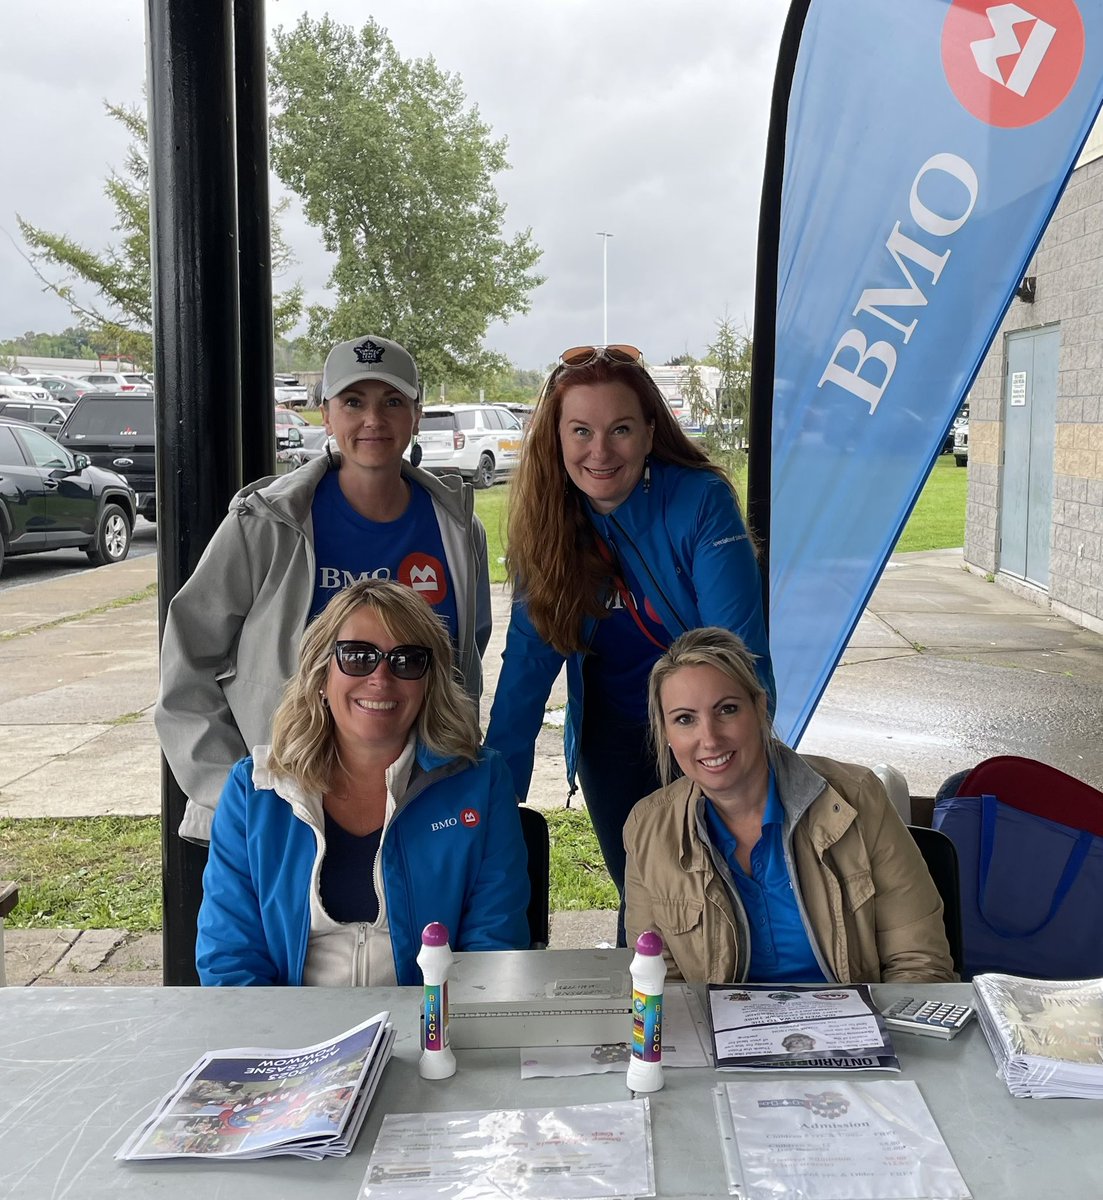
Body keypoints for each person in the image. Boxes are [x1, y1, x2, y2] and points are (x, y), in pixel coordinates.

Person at [484, 344, 773, 940]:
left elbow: (741, 657)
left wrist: (741, 750)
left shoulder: (699, 501)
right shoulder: (550, 522)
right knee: (645, 902)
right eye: (581, 431)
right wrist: (494, 801)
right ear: (557, 440)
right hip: (611, 740)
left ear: (648, 432)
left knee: (715, 894)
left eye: (619, 429)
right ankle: (643, 1021)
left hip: (701, 728)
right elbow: (524, 677)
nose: (600, 451)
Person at [155, 334, 491, 844]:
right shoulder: (266, 523)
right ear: (326, 418)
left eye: (392, 402)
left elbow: (464, 660)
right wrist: (235, 795)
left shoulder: (458, 529)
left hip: (420, 805)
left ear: (416, 415)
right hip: (286, 807)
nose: (373, 420)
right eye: (353, 402)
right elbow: (187, 662)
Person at [196, 579, 529, 986]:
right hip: (291, 1038)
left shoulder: (480, 782)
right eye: (357, 657)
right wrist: (285, 1046)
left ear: (429, 683)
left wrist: (431, 1038)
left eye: (406, 661)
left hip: (433, 1033)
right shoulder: (255, 792)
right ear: (321, 676)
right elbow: (230, 961)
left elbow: (492, 948)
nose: (381, 678)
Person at [623, 627, 955, 984]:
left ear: (760, 708)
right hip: (720, 1036)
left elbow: (920, 964)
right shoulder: (648, 828)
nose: (710, 738)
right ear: (667, 734)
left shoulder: (858, 799)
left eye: (727, 710)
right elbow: (657, 982)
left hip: (857, 1032)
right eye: (685, 719)